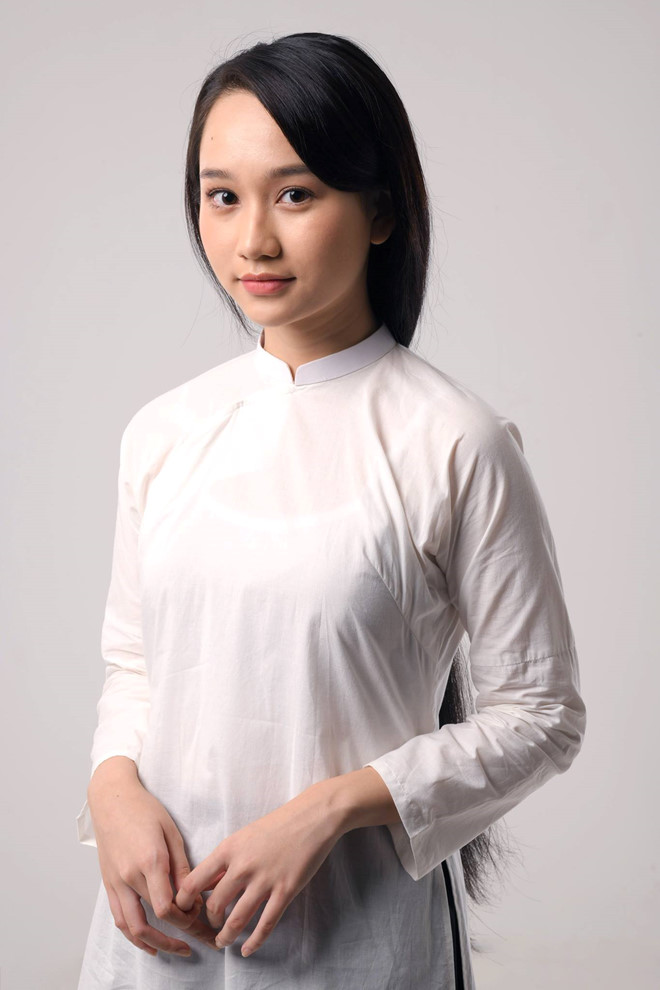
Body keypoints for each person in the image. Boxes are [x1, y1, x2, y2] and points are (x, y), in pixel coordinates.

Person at [75, 31, 587, 990]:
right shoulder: (164, 432)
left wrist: (331, 808)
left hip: (358, 943)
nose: (252, 241)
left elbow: (542, 713)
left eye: (296, 194)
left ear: (382, 209)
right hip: (159, 935)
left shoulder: (454, 441)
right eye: (222, 196)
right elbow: (136, 664)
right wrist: (112, 791)